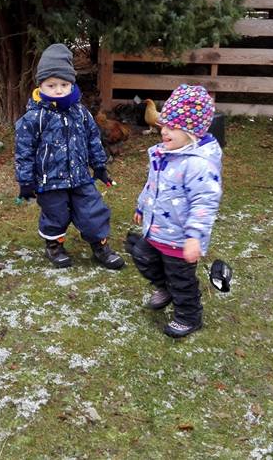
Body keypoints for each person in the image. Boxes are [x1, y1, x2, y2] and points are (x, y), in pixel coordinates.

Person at [14, 43, 125, 270]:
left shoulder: (80, 112)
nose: (58, 90)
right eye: (51, 85)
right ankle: (54, 245)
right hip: (50, 180)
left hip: (80, 176)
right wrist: (25, 181)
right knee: (55, 215)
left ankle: (100, 245)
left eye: (64, 84)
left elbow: (93, 139)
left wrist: (100, 166)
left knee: (92, 210)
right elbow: (24, 151)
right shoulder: (34, 117)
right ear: (41, 85)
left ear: (71, 84)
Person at [130, 84, 222, 338]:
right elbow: (153, 185)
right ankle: (164, 287)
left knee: (181, 279)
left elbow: (204, 202)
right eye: (164, 125)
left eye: (172, 127)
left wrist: (195, 237)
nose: (164, 131)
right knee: (141, 255)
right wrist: (141, 205)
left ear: (191, 131)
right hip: (157, 228)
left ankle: (189, 316)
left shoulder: (198, 165)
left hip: (179, 237)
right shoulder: (164, 154)